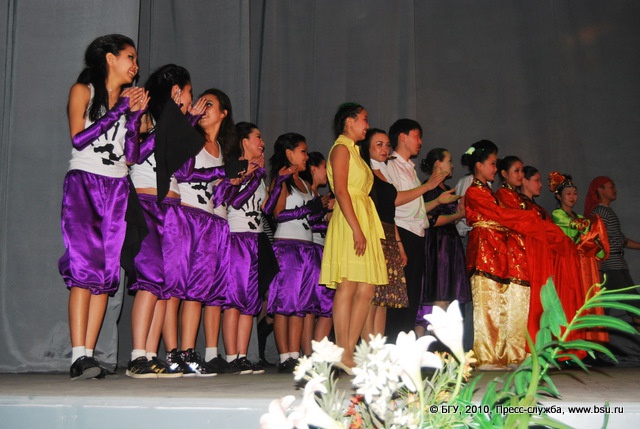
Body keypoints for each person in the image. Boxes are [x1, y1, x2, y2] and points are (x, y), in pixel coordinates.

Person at [59, 34, 148, 379]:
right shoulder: (83, 91)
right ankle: (78, 355)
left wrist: (135, 118)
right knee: (83, 268)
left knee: (106, 272)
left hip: (117, 188)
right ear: (110, 58)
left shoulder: (126, 101)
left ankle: (90, 354)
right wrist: (120, 110)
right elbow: (79, 138)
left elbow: (132, 156)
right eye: (130, 57)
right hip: (85, 183)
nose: (135, 65)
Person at [126, 64, 205, 378]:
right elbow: (134, 154)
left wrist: (188, 125)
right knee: (149, 280)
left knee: (164, 285)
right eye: (188, 92)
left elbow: (183, 171)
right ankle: (137, 355)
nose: (191, 99)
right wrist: (177, 123)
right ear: (176, 92)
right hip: (147, 203)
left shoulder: (178, 125)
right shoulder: (146, 117)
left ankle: (150, 353)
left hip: (172, 207)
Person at [171, 88, 236, 376]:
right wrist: (220, 175)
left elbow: (217, 195)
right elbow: (183, 173)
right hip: (186, 216)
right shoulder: (192, 137)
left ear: (223, 113)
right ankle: (172, 353)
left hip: (209, 221)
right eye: (200, 102)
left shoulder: (220, 148)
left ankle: (188, 352)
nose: (202, 107)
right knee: (176, 288)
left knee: (197, 291)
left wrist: (230, 183)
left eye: (209, 104)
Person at [319, 103, 388, 374]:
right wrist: (357, 228)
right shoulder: (341, 149)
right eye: (364, 119)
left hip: (363, 217)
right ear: (349, 121)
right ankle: (343, 350)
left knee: (367, 288)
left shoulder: (355, 151)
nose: (367, 125)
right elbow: (341, 191)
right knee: (347, 285)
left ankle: (349, 350)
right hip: (350, 220)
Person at [265, 133, 324, 373]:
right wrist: (306, 209)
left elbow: (312, 220)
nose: (306, 156)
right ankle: (285, 356)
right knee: (284, 303)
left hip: (307, 249)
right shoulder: (282, 181)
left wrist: (321, 210)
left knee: (301, 304)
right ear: (289, 154)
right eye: (303, 151)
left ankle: (296, 355)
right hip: (287, 248)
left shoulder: (306, 185)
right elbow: (277, 214)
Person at [384, 119, 447, 340]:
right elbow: (393, 201)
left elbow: (414, 209)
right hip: (402, 234)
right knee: (398, 296)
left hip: (416, 234)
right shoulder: (390, 165)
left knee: (411, 296)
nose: (420, 141)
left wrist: (437, 200)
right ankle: (393, 344)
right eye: (416, 136)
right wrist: (428, 186)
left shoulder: (409, 168)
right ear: (403, 137)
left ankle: (405, 344)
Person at [221, 121, 267, 374]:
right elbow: (235, 202)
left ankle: (242, 355)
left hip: (255, 238)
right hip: (237, 237)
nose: (262, 143)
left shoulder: (258, 173)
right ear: (244, 141)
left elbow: (267, 209)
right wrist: (252, 176)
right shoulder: (235, 167)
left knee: (250, 301)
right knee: (234, 299)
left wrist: (270, 180)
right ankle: (231, 356)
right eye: (257, 137)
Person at [357, 129, 409, 341]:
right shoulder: (364, 173)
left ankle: (377, 348)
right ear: (367, 147)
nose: (385, 149)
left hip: (388, 234)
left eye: (387, 145)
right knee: (371, 294)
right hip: (372, 233)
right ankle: (367, 349)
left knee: (384, 298)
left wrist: (399, 244)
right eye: (379, 144)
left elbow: (390, 212)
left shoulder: (385, 173)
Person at [549, 172, 610, 344]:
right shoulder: (558, 214)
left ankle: (587, 342)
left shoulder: (581, 217)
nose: (572, 197)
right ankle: (568, 344)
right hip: (567, 263)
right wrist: (594, 225)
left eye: (574, 193)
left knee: (585, 301)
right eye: (568, 193)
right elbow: (580, 227)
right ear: (558, 196)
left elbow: (593, 239)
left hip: (584, 265)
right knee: (570, 301)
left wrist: (595, 233)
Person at [415, 148, 469, 336]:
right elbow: (430, 220)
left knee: (449, 298)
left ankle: (443, 344)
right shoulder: (428, 189)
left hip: (449, 244)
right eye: (449, 160)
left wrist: (461, 212)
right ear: (438, 164)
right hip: (437, 246)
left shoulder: (447, 188)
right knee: (439, 295)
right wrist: (459, 215)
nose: (452, 165)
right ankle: (433, 345)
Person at [586, 177, 640, 333]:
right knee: (635, 306)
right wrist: (599, 267)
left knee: (604, 311)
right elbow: (596, 241)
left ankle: (598, 343)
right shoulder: (600, 212)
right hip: (611, 268)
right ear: (600, 189)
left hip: (615, 265)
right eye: (611, 187)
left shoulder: (606, 211)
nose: (614, 190)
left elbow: (620, 240)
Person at [299, 152, 335, 357]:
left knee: (316, 308)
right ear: (314, 169)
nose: (327, 172)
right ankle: (311, 354)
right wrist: (327, 216)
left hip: (321, 250)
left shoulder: (317, 196)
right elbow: (309, 224)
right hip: (314, 250)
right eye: (324, 167)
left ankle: (312, 354)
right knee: (315, 307)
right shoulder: (310, 195)